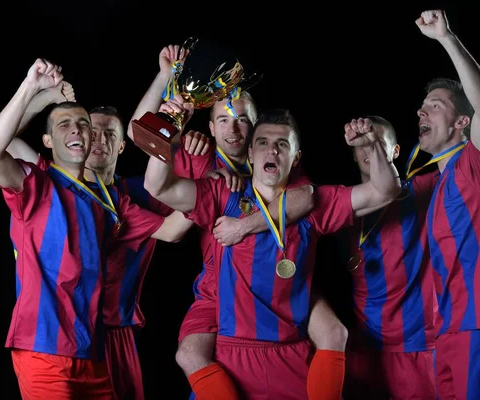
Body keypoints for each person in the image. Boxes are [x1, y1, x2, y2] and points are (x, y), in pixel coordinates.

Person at [128, 51, 350, 399]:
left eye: (243, 120)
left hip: (281, 279)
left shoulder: (276, 158)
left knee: (334, 333)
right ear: (210, 126)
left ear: (256, 124)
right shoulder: (200, 159)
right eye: (224, 120)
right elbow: (140, 133)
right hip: (219, 283)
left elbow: (307, 196)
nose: (234, 129)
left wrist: (243, 225)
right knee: (189, 353)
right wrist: (166, 89)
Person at [142, 106, 401, 399]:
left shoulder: (314, 205)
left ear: (296, 158)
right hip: (231, 359)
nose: (272, 151)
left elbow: (385, 189)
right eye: (263, 143)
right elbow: (156, 185)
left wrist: (371, 144)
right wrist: (168, 128)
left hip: (293, 357)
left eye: (282, 144)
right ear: (251, 154)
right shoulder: (223, 195)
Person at [0, 58, 190, 400]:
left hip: (99, 340)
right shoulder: (40, 180)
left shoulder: (125, 199)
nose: (92, 138)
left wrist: (214, 193)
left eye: (105, 133)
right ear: (51, 140)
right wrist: (38, 94)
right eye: (74, 127)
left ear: (121, 146)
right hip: (47, 341)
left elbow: (171, 226)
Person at [414, 10, 480, 399]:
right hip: (451, 328)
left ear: (462, 121)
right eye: (422, 106)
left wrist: (445, 37)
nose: (422, 111)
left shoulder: (477, 166)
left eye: (436, 105)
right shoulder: (439, 183)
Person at [341, 115, 439, 399]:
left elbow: (472, 159)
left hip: (417, 348)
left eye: (378, 143)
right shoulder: (342, 204)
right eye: (363, 143)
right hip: (365, 350)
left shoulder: (422, 191)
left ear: (395, 152)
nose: (369, 148)